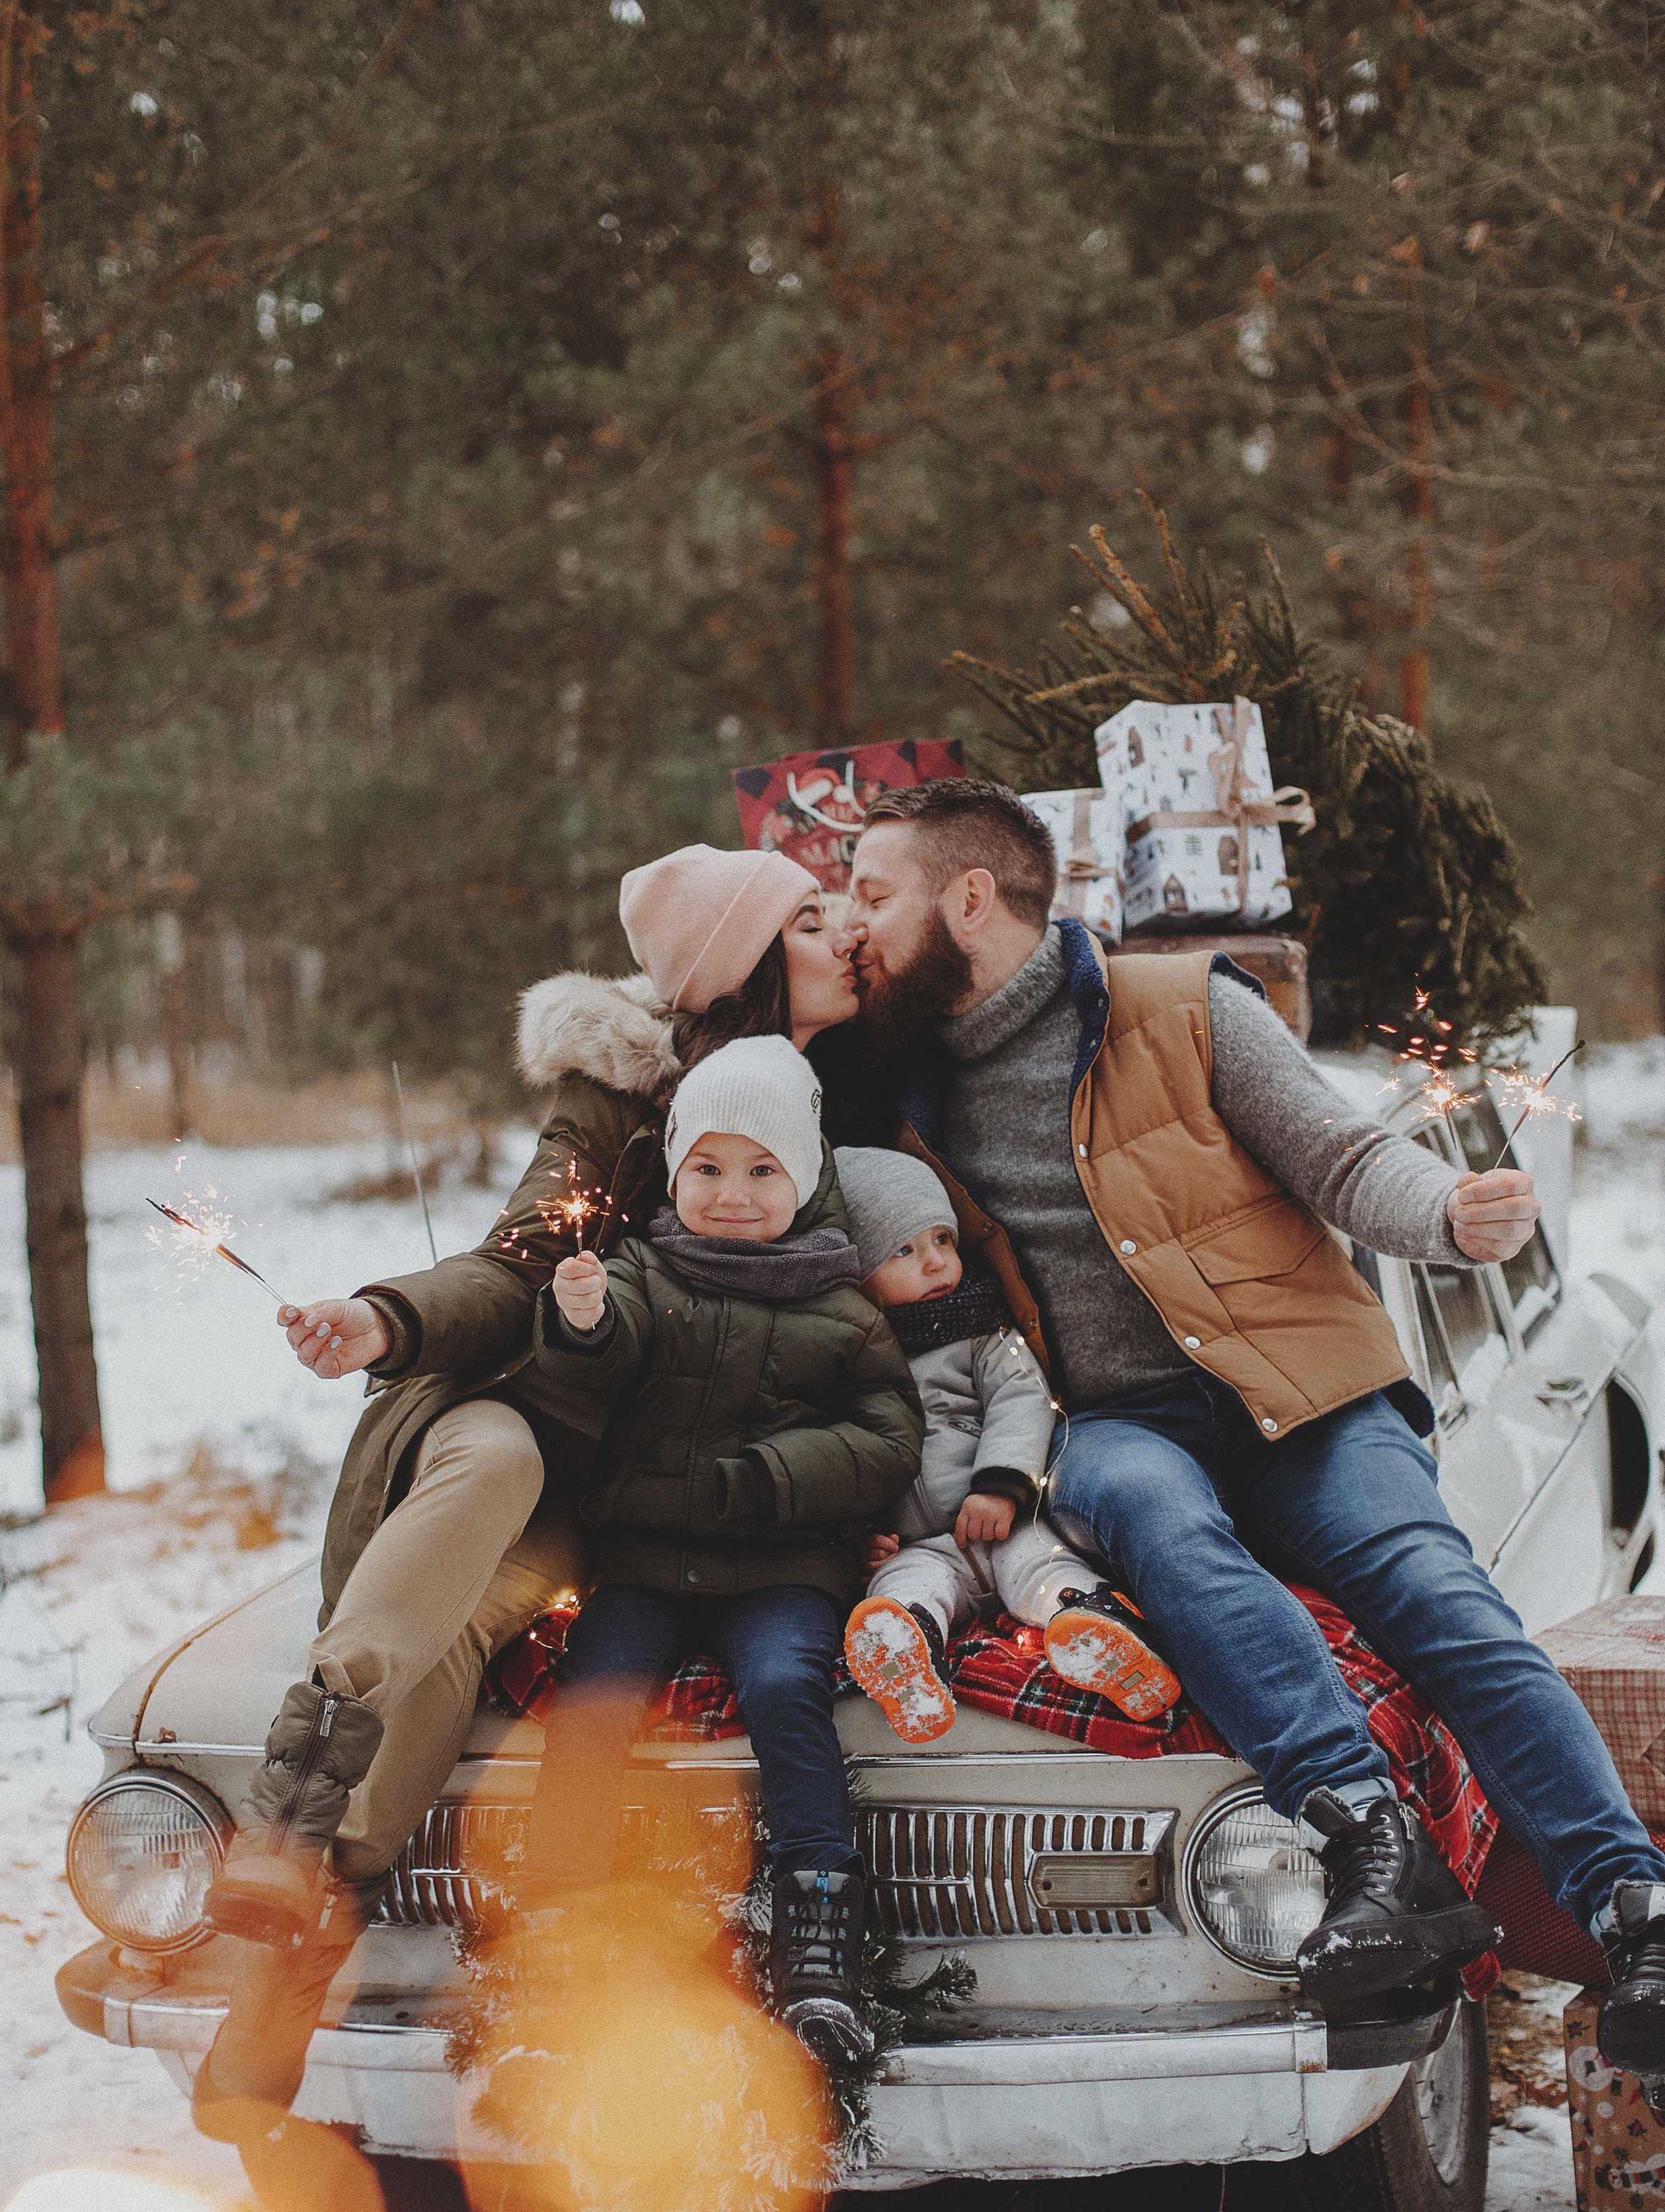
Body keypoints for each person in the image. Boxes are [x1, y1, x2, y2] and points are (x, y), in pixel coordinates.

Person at [845, 777, 1665, 2061]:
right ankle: (1370, 1840)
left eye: (875, 893)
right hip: (1114, 1421)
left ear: (969, 897)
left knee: (1433, 1593)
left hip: (1308, 1390)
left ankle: (1634, 1911)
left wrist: (1448, 1219)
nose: (856, 924)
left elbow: (1345, 1160)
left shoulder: (1181, 1008)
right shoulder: (897, 1090)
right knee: (1156, 1519)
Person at [190, 846, 868, 2131]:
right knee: (494, 1463)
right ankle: (285, 1831)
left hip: (615, 1493)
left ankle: (306, 1931)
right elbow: (513, 1265)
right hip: (508, 1425)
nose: (847, 942)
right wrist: (385, 1322)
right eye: (817, 923)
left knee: (454, 1645)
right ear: (750, 963)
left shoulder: (830, 1094)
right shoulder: (613, 1105)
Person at [522, 1037, 923, 2060]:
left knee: (788, 1687)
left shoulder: (842, 1309)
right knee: (596, 1688)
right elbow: (595, 1375)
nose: (730, 1195)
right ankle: (561, 1911)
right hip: (648, 1562)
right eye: (706, 1168)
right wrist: (580, 1323)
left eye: (760, 1170)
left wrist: (768, 1479)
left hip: (784, 1564)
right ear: (673, 1171)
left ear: (804, 1177)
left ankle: (820, 1923)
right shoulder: (641, 1278)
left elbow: (887, 1437)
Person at [834, 1146, 1180, 1740]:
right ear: (857, 1274)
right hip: (923, 1545)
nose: (938, 1263)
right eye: (905, 1251)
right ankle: (908, 1649)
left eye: (943, 1240)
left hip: (1005, 1522)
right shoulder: (850, 1358)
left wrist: (1000, 1485)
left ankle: (1091, 1624)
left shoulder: (983, 1333)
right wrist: (859, 1536)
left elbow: (1021, 1399)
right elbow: (844, 1451)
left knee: (1042, 1567)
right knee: (907, 1585)